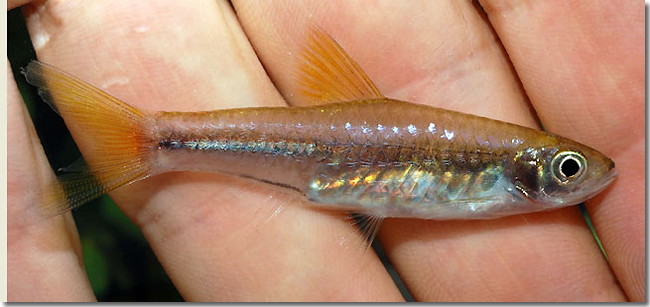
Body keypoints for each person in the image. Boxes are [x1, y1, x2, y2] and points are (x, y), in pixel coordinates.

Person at [7, 0, 644, 302]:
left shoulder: (502, 169)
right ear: (526, 171)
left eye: (570, 170)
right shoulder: (502, 168)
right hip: (334, 154)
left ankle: (159, 140)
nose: (577, 178)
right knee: (156, 135)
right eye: (568, 169)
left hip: (344, 157)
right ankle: (157, 139)